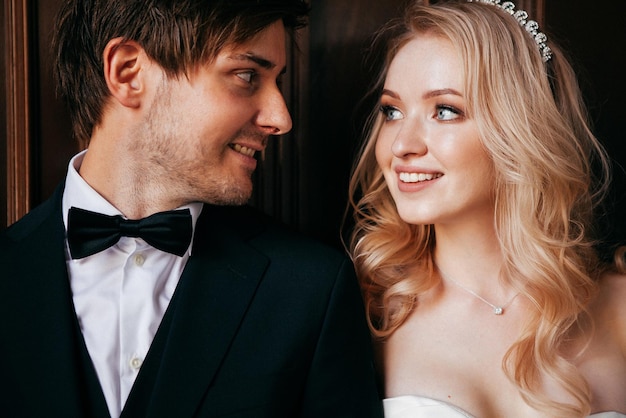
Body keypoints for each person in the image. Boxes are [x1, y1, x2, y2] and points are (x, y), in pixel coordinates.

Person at [0, 1, 383, 417]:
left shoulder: (311, 290)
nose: (281, 118)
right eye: (246, 76)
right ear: (129, 72)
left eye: (275, 81)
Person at [347, 0, 626, 417]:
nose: (402, 145)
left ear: (521, 130)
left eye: (445, 111)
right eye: (392, 111)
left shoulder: (618, 306)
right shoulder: (361, 314)